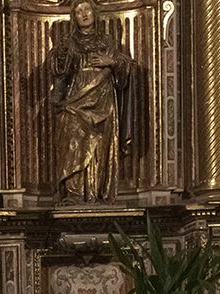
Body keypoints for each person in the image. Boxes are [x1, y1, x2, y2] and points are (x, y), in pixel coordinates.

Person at [51, 0, 134, 204]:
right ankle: (74, 193)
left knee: (99, 146)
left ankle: (96, 192)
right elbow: (60, 72)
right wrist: (60, 56)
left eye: (87, 9)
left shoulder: (107, 41)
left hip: (103, 98)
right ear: (74, 17)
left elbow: (125, 68)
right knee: (71, 131)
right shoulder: (69, 42)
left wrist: (112, 62)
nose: (84, 14)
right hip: (77, 95)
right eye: (79, 11)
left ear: (94, 13)